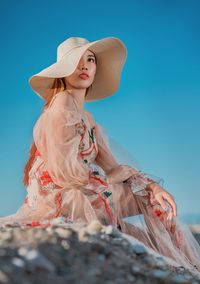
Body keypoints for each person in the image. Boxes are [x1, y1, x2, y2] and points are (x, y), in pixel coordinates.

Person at [0, 36, 200, 275]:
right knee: (136, 231)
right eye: (77, 60)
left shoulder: (88, 119)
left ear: (96, 68)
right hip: (63, 197)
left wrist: (152, 187)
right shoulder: (61, 104)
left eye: (90, 59)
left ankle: (187, 265)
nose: (85, 66)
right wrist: (112, 179)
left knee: (155, 201)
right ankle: (180, 267)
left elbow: (115, 167)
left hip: (89, 190)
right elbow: (64, 176)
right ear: (63, 71)